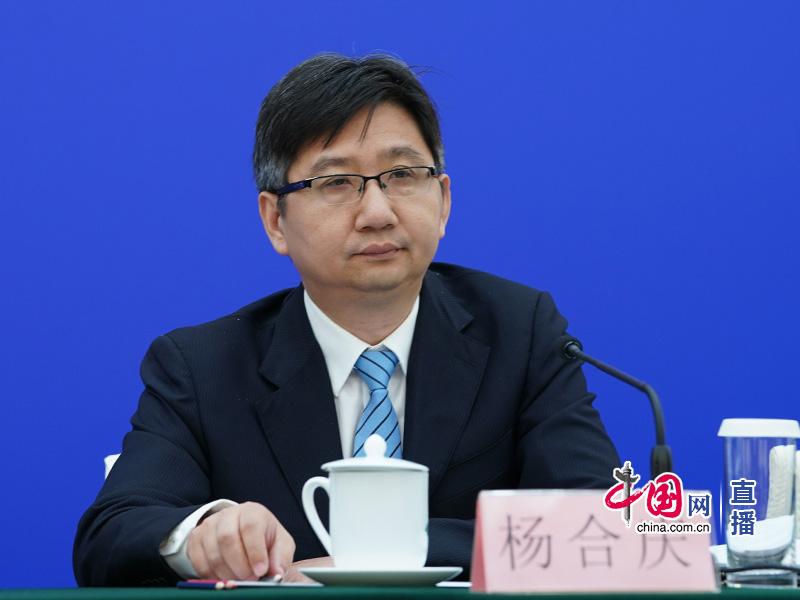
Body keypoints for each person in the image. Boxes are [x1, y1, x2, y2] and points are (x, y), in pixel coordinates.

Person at [73, 53, 620, 586]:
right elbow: (110, 534)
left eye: (402, 174)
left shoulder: (519, 333)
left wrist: (389, 554)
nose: (377, 212)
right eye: (336, 182)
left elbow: (598, 523)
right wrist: (200, 537)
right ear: (275, 220)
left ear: (443, 200)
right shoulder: (202, 368)